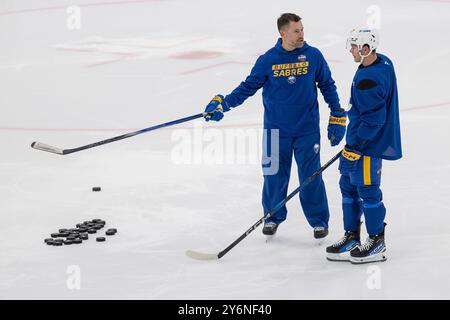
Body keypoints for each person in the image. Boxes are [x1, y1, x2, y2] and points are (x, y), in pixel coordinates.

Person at [203, 13, 346, 240]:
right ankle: (272, 216)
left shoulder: (313, 56)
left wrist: (337, 112)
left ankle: (319, 221)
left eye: (302, 29)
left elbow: (327, 84)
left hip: (306, 130)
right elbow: (247, 87)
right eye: (296, 31)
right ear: (283, 33)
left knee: (311, 177)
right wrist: (225, 103)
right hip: (275, 131)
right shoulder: (268, 60)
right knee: (273, 176)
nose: (301, 34)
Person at [326, 27, 402, 264]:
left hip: (366, 147)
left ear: (366, 48)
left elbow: (374, 120)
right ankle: (352, 236)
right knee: (347, 186)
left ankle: (376, 241)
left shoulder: (369, 80)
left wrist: (355, 147)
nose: (350, 51)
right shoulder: (382, 62)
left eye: (353, 47)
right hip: (357, 141)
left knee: (368, 190)